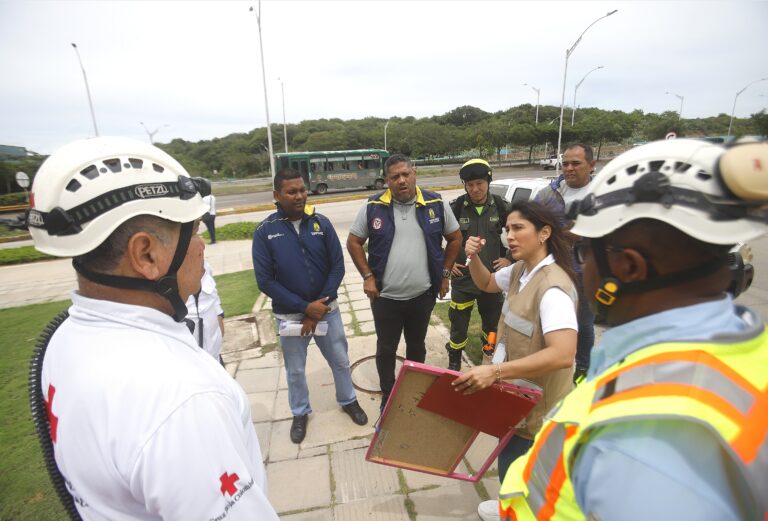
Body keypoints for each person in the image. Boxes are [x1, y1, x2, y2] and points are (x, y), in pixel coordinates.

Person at [498, 138, 768, 521]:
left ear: (627, 267)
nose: (580, 267)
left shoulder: (641, 441)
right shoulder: (745, 351)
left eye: (584, 252)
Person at [27, 137, 278, 520]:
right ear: (146, 255)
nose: (201, 247)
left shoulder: (65, 339)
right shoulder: (182, 398)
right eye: (193, 231)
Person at [451, 200, 578, 521]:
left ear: (544, 233)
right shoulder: (521, 271)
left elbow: (563, 354)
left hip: (538, 410)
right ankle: (511, 506)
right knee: (511, 465)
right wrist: (473, 256)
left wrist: (495, 371)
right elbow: (486, 283)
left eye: (518, 228)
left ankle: (519, 511)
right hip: (515, 398)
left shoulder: (552, 288)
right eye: (507, 229)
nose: (509, 236)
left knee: (517, 466)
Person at [252, 168, 368, 444]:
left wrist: (320, 306)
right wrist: (305, 308)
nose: (300, 196)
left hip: (327, 310)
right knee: (294, 370)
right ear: (277, 195)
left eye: (302, 190)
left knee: (340, 360)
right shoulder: (265, 232)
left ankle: (348, 400)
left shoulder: (321, 223)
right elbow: (265, 281)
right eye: (292, 192)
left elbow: (337, 267)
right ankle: (300, 412)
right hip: (290, 317)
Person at [347, 153, 462, 411]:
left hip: (422, 295)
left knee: (416, 346)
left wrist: (444, 275)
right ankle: (388, 394)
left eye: (405, 174)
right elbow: (353, 242)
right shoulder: (373, 206)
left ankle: (414, 390)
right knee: (386, 349)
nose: (401, 180)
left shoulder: (435, 203)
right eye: (394, 176)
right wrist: (367, 277)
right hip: (385, 297)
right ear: (386, 181)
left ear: (414, 174)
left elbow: (455, 238)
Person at [534, 142, 597, 381]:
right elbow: (533, 225)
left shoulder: (603, 194)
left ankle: (582, 370)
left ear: (591, 165)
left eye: (576, 163)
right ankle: (547, 367)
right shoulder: (548, 194)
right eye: (565, 163)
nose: (569, 168)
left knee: (583, 324)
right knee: (548, 321)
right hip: (553, 269)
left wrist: (584, 233)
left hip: (588, 271)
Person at [446, 159, 511, 371]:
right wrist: (446, 264)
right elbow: (433, 238)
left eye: (480, 183)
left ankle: (488, 354)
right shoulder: (455, 208)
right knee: (458, 326)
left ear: (488, 182)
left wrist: (509, 258)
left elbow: (520, 232)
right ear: (464, 185)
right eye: (470, 184)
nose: (475, 189)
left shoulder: (501, 207)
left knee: (491, 325)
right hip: (463, 281)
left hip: (492, 281)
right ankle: (454, 360)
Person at [185, 259, 225, 363]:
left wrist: (219, 333)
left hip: (215, 358)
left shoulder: (205, 265)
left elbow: (215, 302)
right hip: (191, 363)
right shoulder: (165, 270)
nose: (202, 246)